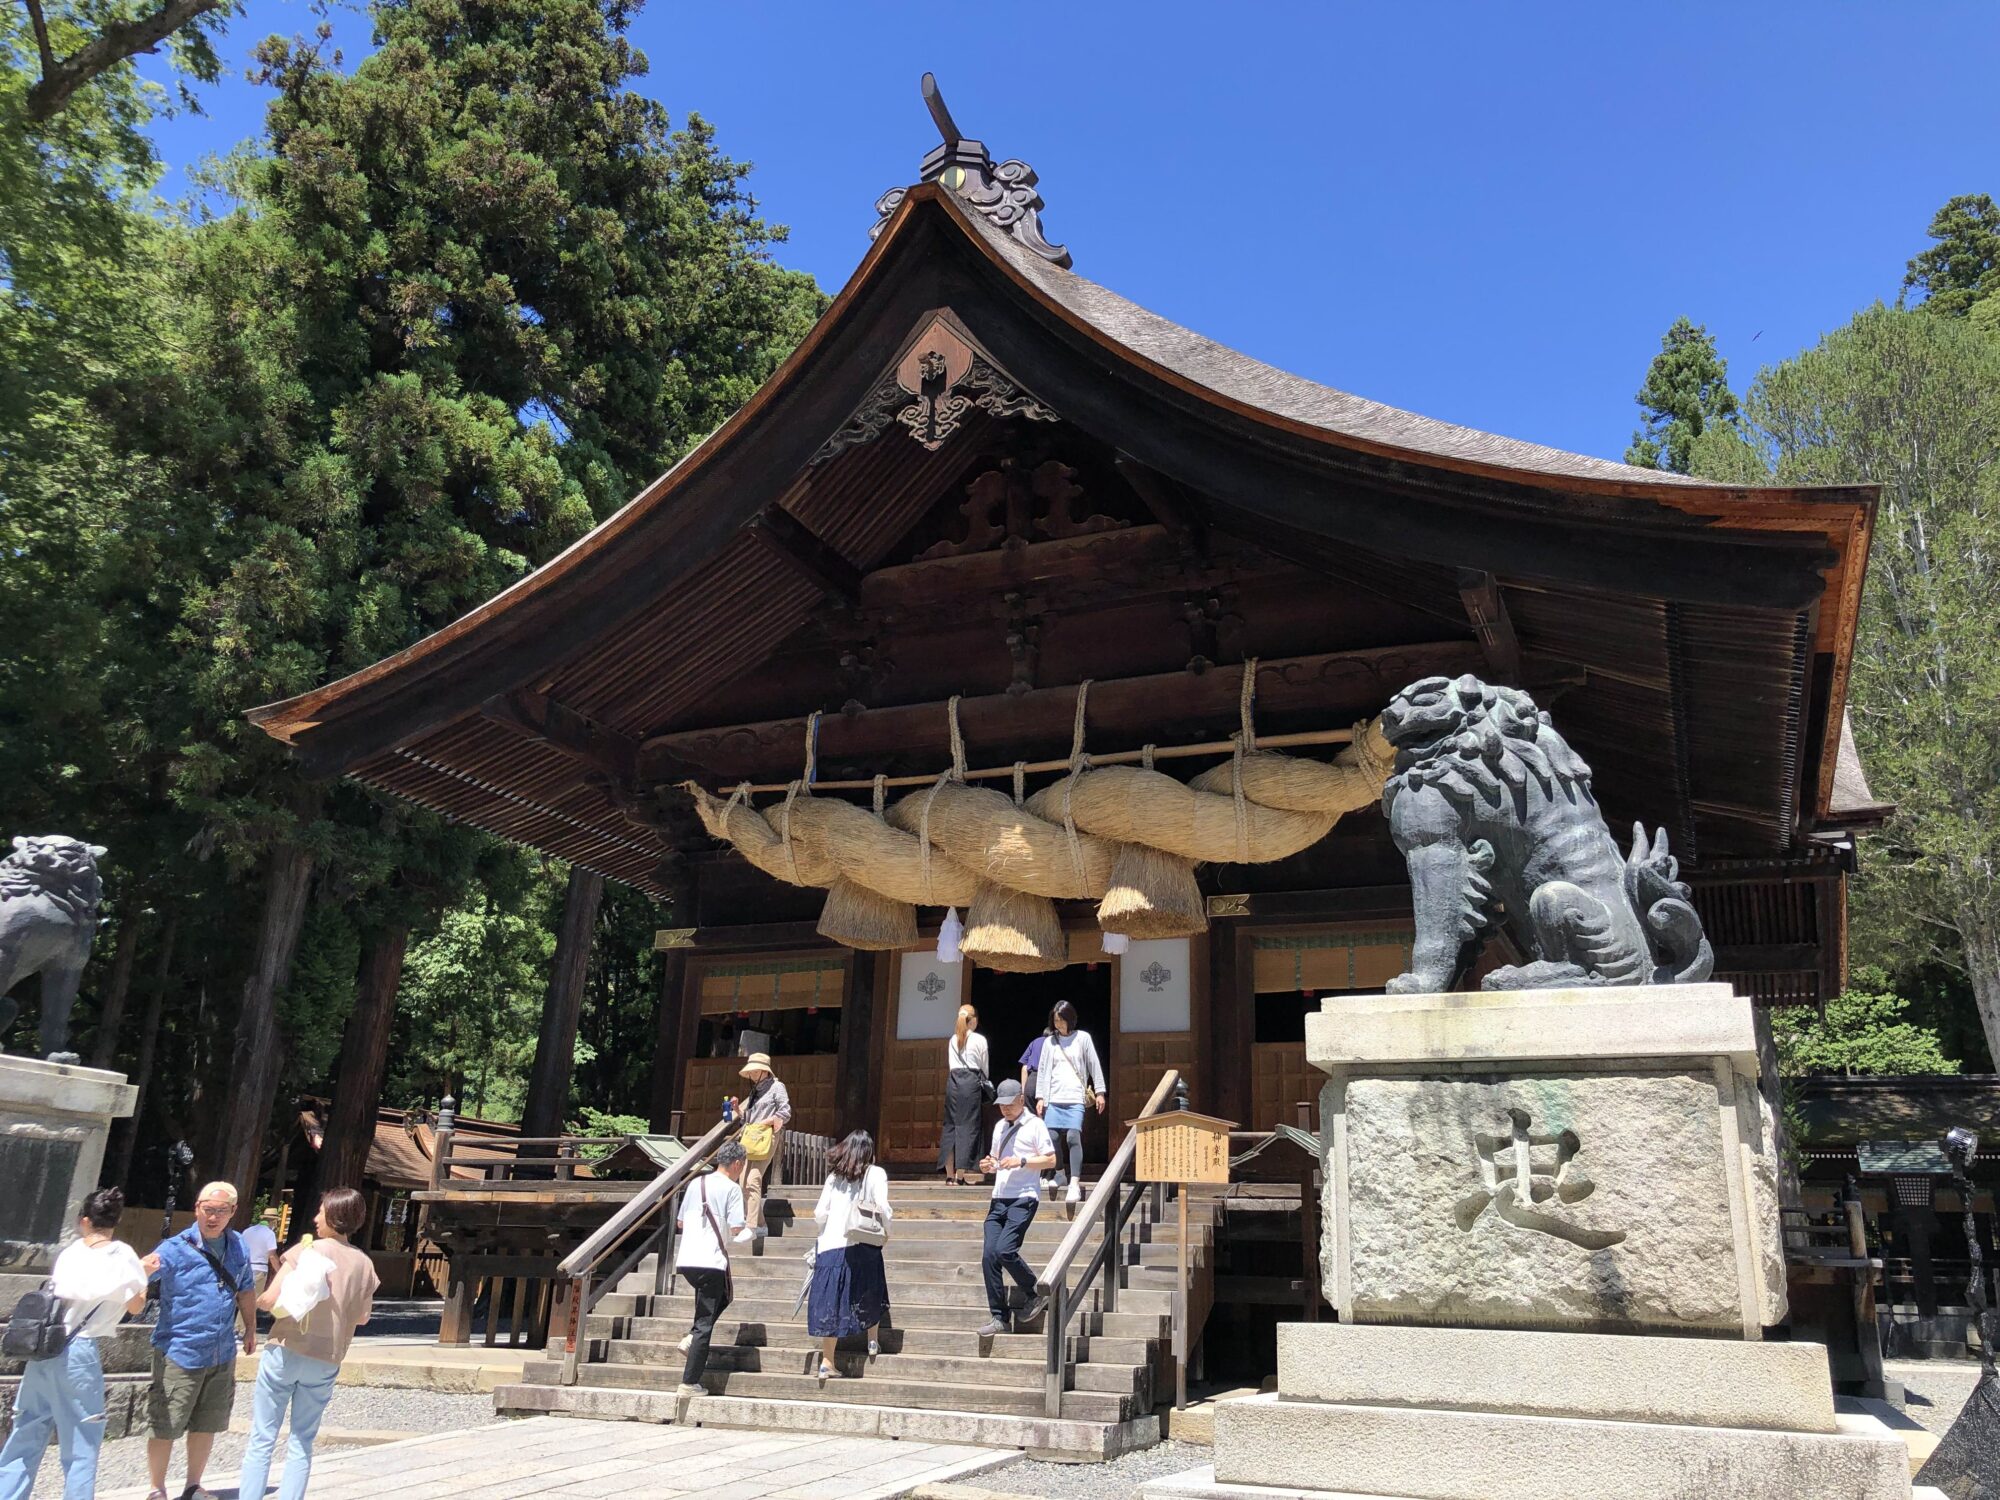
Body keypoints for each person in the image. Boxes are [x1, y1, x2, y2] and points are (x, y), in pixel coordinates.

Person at [0, 1188, 148, 1500]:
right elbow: (135, 1306)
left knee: (26, 1430)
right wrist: (144, 1275)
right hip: (80, 1349)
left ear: (84, 1220)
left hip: (46, 1346)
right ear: (116, 1221)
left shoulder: (70, 1253)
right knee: (82, 1438)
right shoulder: (122, 1255)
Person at [234, 1187, 380, 1500]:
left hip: (287, 1346)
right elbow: (363, 1317)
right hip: (327, 1356)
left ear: (334, 1215)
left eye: (321, 1212)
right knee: (302, 1441)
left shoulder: (307, 1251)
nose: (316, 1218)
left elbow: (269, 1299)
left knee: (263, 1437)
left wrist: (253, 1299)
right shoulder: (364, 1264)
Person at [141, 1181, 256, 1500]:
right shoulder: (174, 1247)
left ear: (233, 1211)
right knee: (165, 1422)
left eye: (221, 1210)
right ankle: (156, 1488)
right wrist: (138, 1271)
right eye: (208, 1209)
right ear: (196, 1209)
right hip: (180, 1350)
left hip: (221, 1350)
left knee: (208, 1422)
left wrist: (250, 1328)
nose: (213, 1216)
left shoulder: (239, 1246)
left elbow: (246, 1288)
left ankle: (193, 1485)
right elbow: (143, 1272)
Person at [807, 1131, 892, 1380]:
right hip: (862, 1241)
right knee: (871, 1288)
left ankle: (827, 1361)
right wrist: (887, 1231)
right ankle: (872, 1340)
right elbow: (883, 1208)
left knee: (831, 1302)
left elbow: (819, 1213)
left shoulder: (834, 1177)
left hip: (830, 1246)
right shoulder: (875, 1173)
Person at [977, 1080, 1058, 1337]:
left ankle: (1034, 1291)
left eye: (1010, 1104)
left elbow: (1051, 1159)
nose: (1005, 1109)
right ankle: (999, 1317)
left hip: (1023, 1197)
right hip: (998, 1198)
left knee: (1005, 1250)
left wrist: (1021, 1161)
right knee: (989, 1256)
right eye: (1002, 1105)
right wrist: (988, 1165)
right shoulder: (999, 1126)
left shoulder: (1035, 1125)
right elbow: (995, 1158)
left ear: (1021, 1100)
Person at [673, 1140, 747, 1399]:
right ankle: (689, 1381)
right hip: (711, 1260)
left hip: (687, 1259)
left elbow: (680, 1222)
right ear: (736, 1163)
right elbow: (737, 1227)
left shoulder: (696, 1183)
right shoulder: (732, 1188)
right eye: (742, 1165)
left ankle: (691, 1337)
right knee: (704, 1324)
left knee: (724, 1296)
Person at [1034, 1000, 1106, 1206]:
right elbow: (1043, 1070)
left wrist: (1100, 1091)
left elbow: (1094, 1064)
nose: (1059, 1025)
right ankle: (1060, 1173)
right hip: (1054, 1097)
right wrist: (1041, 1097)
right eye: (1056, 1021)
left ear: (1070, 1019)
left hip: (1075, 1097)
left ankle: (1074, 1182)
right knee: (1052, 1137)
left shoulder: (1083, 1038)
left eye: (1062, 1020)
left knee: (1073, 1137)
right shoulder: (1049, 1042)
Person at [729, 1053, 790, 1248]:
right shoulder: (755, 1091)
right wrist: (737, 1109)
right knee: (742, 1183)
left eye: (755, 1071)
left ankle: (751, 1226)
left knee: (753, 1180)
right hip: (750, 1138)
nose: (752, 1074)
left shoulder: (777, 1087)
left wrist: (767, 1122)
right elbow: (749, 1118)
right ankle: (761, 1225)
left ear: (765, 1071)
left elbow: (785, 1111)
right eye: (751, 1071)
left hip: (765, 1138)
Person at [938, 1005, 989, 1185]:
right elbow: (984, 1067)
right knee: (968, 1126)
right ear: (973, 1020)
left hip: (953, 1082)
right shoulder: (979, 1039)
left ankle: (949, 1175)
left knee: (950, 1126)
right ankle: (960, 1176)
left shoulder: (953, 1039)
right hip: (970, 1083)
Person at [240, 1210, 280, 1293]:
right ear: (273, 1221)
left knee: (241, 1296)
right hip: (259, 1269)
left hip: (244, 1268)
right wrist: (279, 1271)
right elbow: (272, 1256)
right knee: (255, 1297)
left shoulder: (247, 1231)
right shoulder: (270, 1234)